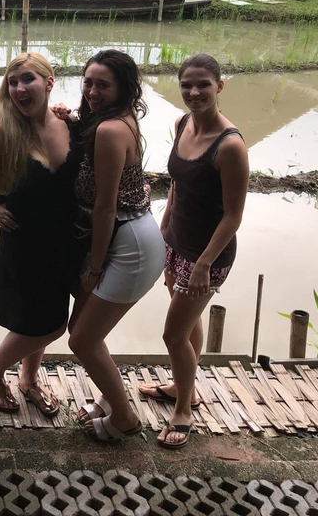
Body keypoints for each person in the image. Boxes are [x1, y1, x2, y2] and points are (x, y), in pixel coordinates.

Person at [138, 54, 248, 449]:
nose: (194, 92)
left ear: (220, 86)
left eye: (203, 84)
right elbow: (180, 186)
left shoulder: (230, 145)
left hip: (209, 256)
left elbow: (233, 215)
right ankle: (184, 387)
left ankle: (183, 408)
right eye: (187, 84)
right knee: (188, 325)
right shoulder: (181, 123)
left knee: (172, 334)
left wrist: (203, 264)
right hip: (176, 242)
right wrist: (163, 229)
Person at [0, 53, 86, 417]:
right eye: (13, 81)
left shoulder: (73, 127)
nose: (19, 88)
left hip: (67, 241)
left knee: (50, 312)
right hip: (24, 244)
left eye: (28, 80)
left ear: (49, 83)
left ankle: (29, 379)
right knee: (45, 324)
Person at [67, 49, 166, 442]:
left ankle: (123, 417)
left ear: (123, 87)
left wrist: (93, 268)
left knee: (83, 339)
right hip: (126, 235)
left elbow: (106, 206)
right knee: (82, 330)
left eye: (102, 84)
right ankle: (111, 400)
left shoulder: (110, 130)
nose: (92, 90)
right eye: (87, 81)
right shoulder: (113, 119)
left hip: (129, 243)